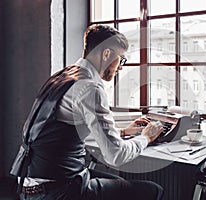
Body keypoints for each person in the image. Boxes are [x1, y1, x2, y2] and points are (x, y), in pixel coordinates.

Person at [10, 24, 164, 200]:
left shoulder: (62, 76)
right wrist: (146, 137)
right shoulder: (90, 88)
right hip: (57, 191)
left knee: (120, 183)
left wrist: (123, 132)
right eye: (121, 59)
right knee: (152, 190)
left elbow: (69, 129)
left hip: (29, 186)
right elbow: (115, 156)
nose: (121, 67)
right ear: (106, 54)